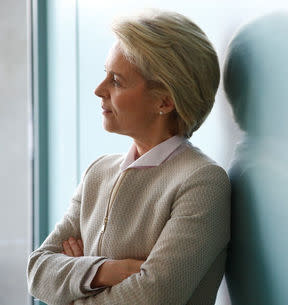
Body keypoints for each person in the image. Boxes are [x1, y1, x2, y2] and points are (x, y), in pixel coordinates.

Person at [27, 9, 230, 305]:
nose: (99, 90)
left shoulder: (202, 182)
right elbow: (38, 271)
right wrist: (110, 271)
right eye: (105, 75)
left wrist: (72, 285)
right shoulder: (98, 173)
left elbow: (154, 295)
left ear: (164, 101)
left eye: (117, 81)